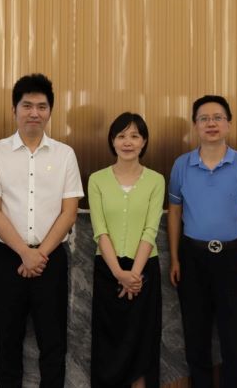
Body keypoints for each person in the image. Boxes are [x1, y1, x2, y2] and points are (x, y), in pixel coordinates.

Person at [0, 73, 83, 388]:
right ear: (14, 110)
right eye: (27, 106)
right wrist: (25, 252)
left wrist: (39, 254)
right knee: (7, 341)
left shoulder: (65, 154)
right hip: (8, 259)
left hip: (51, 259)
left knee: (53, 343)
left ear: (50, 111)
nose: (34, 113)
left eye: (41, 106)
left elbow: (69, 212)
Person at [167, 95, 237, 388]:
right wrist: (175, 259)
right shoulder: (182, 165)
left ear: (229, 124)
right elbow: (174, 213)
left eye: (218, 117)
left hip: (233, 257)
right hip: (192, 257)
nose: (211, 123)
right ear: (195, 125)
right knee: (196, 335)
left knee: (233, 336)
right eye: (204, 118)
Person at [88, 113, 165, 388]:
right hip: (108, 271)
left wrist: (133, 275)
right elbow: (100, 231)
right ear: (112, 141)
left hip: (144, 271)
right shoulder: (97, 179)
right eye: (121, 136)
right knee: (109, 344)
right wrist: (120, 274)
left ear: (144, 141)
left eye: (134, 136)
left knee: (142, 344)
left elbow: (150, 230)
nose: (128, 142)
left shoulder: (156, 180)